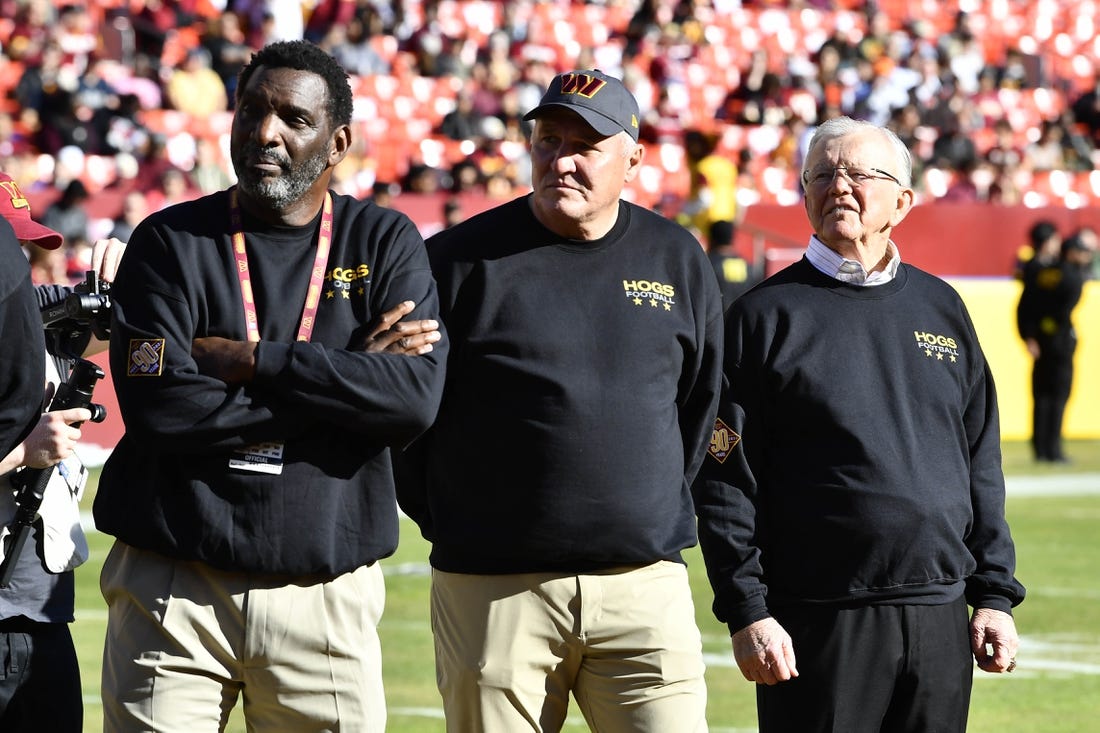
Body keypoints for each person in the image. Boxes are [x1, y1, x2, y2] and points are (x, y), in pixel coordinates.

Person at [91, 40, 447, 732]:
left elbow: (411, 400)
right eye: (252, 109)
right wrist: (346, 382)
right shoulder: (168, 242)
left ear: (337, 141)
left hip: (325, 597)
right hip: (175, 588)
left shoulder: (384, 241)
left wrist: (260, 362)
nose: (265, 132)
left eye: (292, 118)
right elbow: (165, 411)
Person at [395, 69, 723, 732]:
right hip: (495, 589)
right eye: (548, 140)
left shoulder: (676, 257)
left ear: (633, 158)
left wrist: (643, 508)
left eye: (586, 144)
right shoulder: (454, 262)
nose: (562, 160)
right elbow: (409, 418)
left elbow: (699, 406)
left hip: (644, 589)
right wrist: (464, 524)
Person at [692, 116, 1025, 732]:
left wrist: (995, 595)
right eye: (822, 174)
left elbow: (980, 462)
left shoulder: (942, 307)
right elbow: (722, 480)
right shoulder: (761, 317)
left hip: (940, 613)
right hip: (818, 618)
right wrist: (747, 610)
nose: (838, 185)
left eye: (858, 173)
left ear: (902, 200)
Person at [0, 169, 126, 733]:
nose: (21, 269)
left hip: (44, 608)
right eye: (14, 248)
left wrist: (130, 267)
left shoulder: (38, 313)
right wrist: (24, 451)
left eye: (25, 252)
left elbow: (115, 318)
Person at [1016, 221, 1092, 463]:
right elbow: (1062, 308)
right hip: (1059, 341)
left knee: (1041, 395)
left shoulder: (1036, 270)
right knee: (1058, 395)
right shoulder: (1069, 275)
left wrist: (1031, 334)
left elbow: (1026, 305)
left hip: (1042, 339)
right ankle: (1053, 450)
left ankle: (1041, 449)